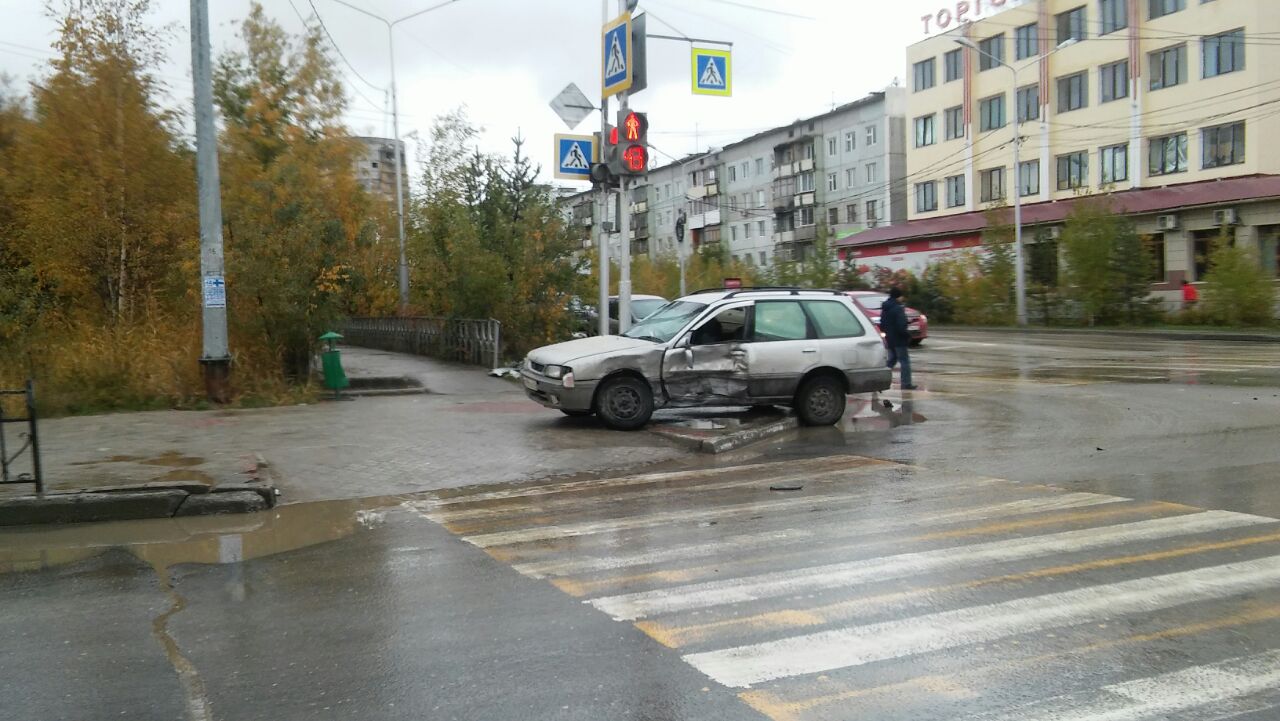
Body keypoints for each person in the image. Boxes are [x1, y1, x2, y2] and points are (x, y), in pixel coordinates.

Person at [881, 287, 917, 390]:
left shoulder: (885, 308)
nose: (902, 298)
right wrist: (907, 335)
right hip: (899, 339)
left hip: (890, 338)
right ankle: (906, 383)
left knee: (892, 360)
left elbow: (883, 324)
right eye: (901, 296)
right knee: (904, 361)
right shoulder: (898, 308)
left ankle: (879, 379)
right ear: (898, 296)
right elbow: (900, 326)